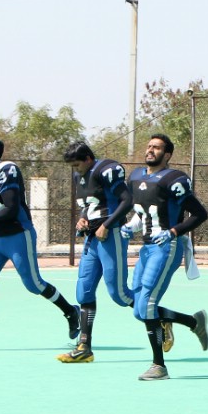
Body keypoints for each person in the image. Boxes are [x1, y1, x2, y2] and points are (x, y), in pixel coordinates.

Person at [0, 136, 80, 349]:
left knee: (34, 284)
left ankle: (70, 311)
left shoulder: (6, 169)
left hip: (18, 235)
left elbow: (10, 209)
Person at [122, 134, 208, 381]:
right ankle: (192, 322)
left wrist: (173, 231)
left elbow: (200, 214)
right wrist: (131, 226)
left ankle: (159, 366)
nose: (150, 150)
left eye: (157, 147)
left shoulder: (175, 179)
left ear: (167, 155)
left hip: (167, 247)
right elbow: (143, 214)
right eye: (149, 145)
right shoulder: (137, 176)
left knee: (148, 304)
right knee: (139, 310)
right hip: (147, 248)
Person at [57, 141, 135, 363]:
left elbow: (127, 200)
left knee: (119, 295)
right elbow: (89, 204)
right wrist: (82, 218)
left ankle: (159, 317)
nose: (75, 169)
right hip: (92, 238)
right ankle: (84, 346)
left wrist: (107, 224)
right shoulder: (78, 177)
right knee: (84, 290)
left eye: (77, 165)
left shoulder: (106, 170)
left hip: (111, 235)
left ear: (88, 159)